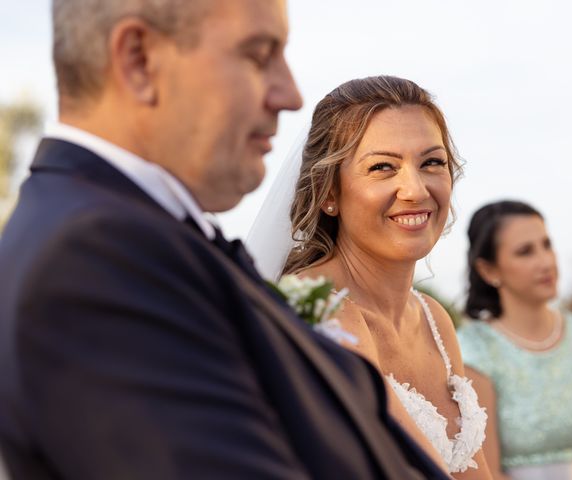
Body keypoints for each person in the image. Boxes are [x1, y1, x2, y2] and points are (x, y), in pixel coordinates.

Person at [0, 2, 451, 479]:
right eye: (258, 56)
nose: (290, 95)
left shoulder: (151, 239)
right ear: (139, 59)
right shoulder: (92, 260)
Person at [249, 76, 491, 478]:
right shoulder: (316, 310)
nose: (414, 189)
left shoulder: (434, 319)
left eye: (432, 162)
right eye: (383, 167)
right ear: (329, 193)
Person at [457, 200, 572, 480]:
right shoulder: (473, 350)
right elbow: (486, 473)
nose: (546, 261)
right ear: (489, 270)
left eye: (546, 245)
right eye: (525, 252)